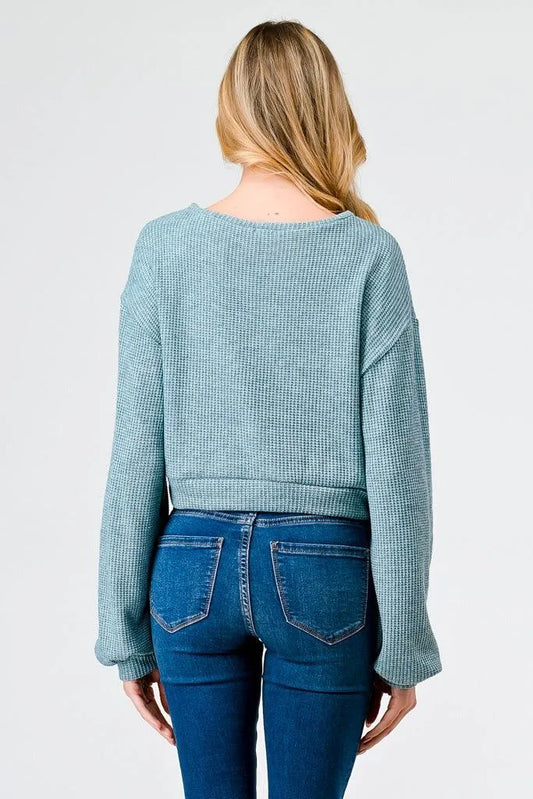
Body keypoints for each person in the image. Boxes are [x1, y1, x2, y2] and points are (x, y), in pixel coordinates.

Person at [94, 19, 442, 799]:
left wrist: (123, 633)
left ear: (231, 109)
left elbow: (134, 451)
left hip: (191, 567)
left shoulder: (164, 248)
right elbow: (398, 471)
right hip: (323, 570)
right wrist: (405, 648)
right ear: (328, 108)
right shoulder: (368, 255)